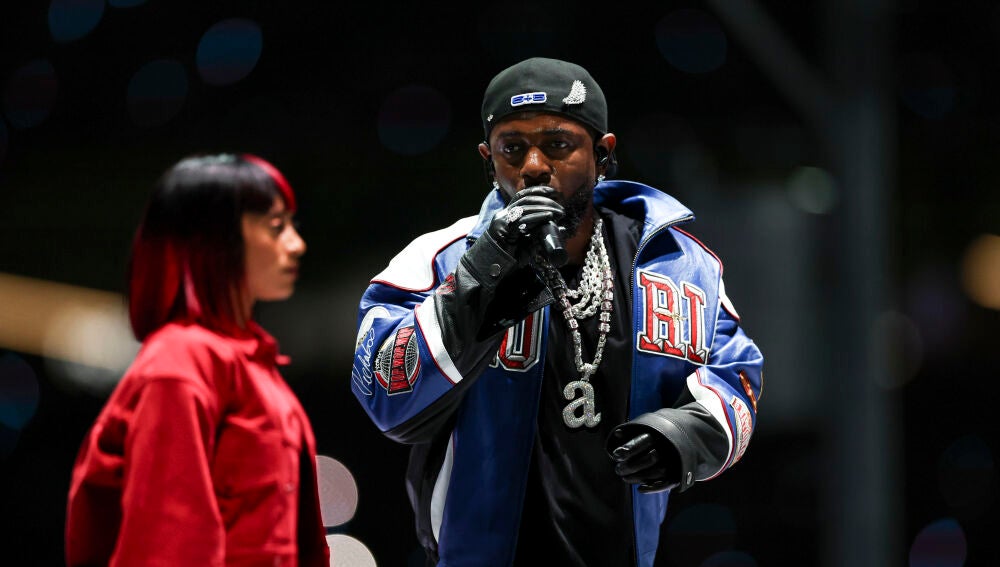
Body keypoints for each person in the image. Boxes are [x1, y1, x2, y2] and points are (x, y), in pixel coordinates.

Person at [350, 57, 764, 566]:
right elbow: (384, 398)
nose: (533, 166)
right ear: (488, 159)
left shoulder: (680, 265)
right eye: (512, 148)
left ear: (603, 154)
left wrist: (687, 436)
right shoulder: (439, 259)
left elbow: (738, 376)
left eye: (558, 145)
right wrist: (481, 276)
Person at [65, 154, 329, 566]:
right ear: (215, 239)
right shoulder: (181, 361)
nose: (297, 245)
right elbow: (168, 543)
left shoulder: (251, 363)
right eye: (276, 227)